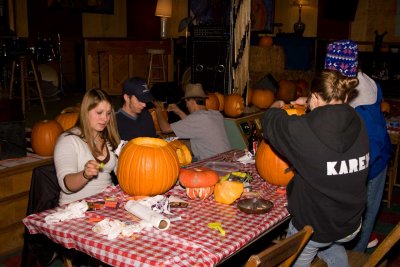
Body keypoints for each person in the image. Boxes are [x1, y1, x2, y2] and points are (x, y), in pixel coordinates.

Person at [263, 70, 369, 266]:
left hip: (316, 228)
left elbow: (270, 122)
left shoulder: (303, 131)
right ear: (345, 96)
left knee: (302, 251)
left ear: (314, 97)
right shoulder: (360, 122)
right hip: (351, 224)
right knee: (331, 241)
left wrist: (277, 106)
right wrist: (314, 106)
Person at [324, 39, 392, 252]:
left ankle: (358, 255)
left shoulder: (352, 94)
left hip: (373, 160)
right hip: (373, 153)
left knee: (365, 211)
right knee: (363, 211)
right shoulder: (368, 82)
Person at [54, 88, 120, 206]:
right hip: (77, 208)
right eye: (99, 113)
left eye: (108, 113)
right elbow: (67, 185)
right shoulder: (68, 140)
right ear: (85, 112)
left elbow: (124, 174)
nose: (105, 119)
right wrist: (85, 174)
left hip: (106, 204)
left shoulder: (108, 138)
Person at [154, 83, 231, 161]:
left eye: (186, 102)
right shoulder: (216, 114)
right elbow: (194, 125)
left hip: (213, 165)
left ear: (192, 101)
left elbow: (165, 129)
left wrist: (158, 110)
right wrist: (179, 111)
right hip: (227, 160)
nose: (186, 106)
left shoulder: (197, 118)